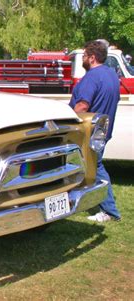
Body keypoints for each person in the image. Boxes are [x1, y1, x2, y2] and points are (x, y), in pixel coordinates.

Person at [69, 40, 121, 223]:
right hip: (103, 132)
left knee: (95, 168)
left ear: (91, 58)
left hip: (88, 133)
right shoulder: (111, 75)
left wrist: (67, 124)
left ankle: (110, 211)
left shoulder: (92, 77)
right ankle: (73, 201)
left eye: (84, 56)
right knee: (86, 168)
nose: (82, 59)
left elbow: (82, 105)